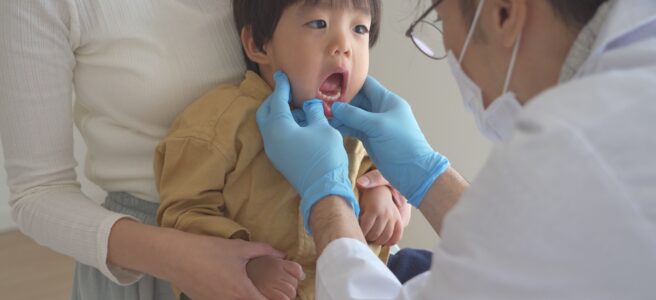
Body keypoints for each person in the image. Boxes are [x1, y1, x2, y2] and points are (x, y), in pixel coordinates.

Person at [256, 0, 656, 298]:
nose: (343, 45)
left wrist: (327, 199)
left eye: (440, 24)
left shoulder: (575, 148)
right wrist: (426, 178)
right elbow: (516, 258)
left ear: (503, 12)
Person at [1, 1, 314, 299]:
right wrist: (178, 257)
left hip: (298, 235)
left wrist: (359, 177)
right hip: (152, 256)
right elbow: (38, 191)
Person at [153, 0, 409, 299]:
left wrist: (380, 195)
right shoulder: (221, 123)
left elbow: (371, 169)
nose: (344, 45)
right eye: (318, 24)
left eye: (359, 28)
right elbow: (182, 213)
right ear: (259, 44)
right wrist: (246, 263)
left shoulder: (359, 122)